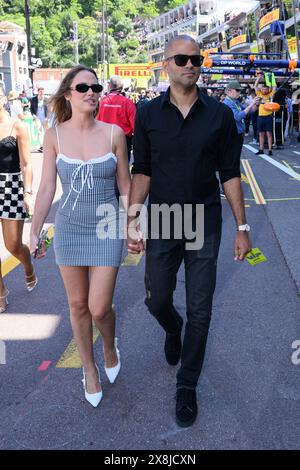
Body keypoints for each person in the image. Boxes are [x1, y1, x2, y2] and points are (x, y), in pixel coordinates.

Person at [128, 35, 251, 428]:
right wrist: (133, 217)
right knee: (157, 298)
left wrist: (242, 227)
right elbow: (141, 170)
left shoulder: (219, 115)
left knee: (201, 307)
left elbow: (230, 173)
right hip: (163, 218)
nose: (189, 64)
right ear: (165, 64)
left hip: (204, 218)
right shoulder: (147, 114)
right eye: (181, 58)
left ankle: (187, 385)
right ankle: (171, 326)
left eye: (195, 58)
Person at [30, 65, 131, 407]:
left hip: (106, 227)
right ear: (68, 94)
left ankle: (108, 344)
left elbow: (125, 186)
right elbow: (46, 188)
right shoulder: (53, 135)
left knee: (99, 307)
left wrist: (134, 224)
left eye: (95, 86)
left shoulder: (114, 133)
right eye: (83, 86)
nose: (91, 91)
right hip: (69, 229)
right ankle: (88, 368)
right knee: (77, 304)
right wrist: (35, 228)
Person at [0, 88, 36, 313]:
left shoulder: (17, 126)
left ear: (3, 99)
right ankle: (1, 292)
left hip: (11, 187)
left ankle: (28, 265)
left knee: (12, 244)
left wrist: (28, 193)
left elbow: (26, 164)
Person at [96, 75, 136, 162]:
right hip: (123, 140)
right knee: (123, 170)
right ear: (121, 87)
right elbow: (135, 126)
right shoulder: (128, 102)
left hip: (104, 139)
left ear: (110, 86)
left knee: (105, 168)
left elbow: (96, 121)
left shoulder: (103, 101)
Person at [223, 80, 260, 155]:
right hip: (233, 134)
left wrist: (256, 104)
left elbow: (251, 111)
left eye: (239, 90)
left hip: (238, 133)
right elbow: (238, 117)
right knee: (233, 157)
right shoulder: (227, 103)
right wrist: (251, 104)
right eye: (237, 90)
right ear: (229, 91)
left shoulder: (235, 101)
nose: (239, 92)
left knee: (236, 157)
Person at [254, 74, 276, 156]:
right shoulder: (259, 94)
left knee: (269, 134)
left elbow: (274, 87)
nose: (264, 91)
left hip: (268, 117)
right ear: (261, 89)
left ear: (268, 89)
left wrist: (272, 77)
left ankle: (270, 150)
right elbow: (255, 86)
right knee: (261, 134)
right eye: (263, 89)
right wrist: (259, 78)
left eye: (266, 89)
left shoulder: (270, 95)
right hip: (260, 117)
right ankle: (261, 149)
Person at [30, 87, 48, 152]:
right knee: (39, 132)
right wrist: (33, 115)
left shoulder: (46, 99)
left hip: (45, 118)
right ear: (38, 92)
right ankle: (41, 146)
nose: (42, 93)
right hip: (37, 118)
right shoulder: (33, 99)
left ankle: (47, 145)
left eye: (43, 92)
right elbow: (31, 109)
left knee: (46, 132)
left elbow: (50, 109)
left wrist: (48, 117)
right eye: (40, 92)